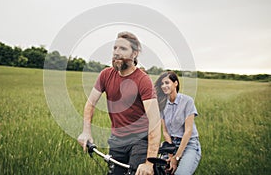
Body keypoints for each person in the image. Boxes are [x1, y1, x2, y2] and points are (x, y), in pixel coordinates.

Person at [78, 31, 161, 175]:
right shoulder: (106, 75)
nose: (116, 52)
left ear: (134, 54)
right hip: (117, 140)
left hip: (140, 140)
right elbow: (90, 103)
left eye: (122, 49)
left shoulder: (143, 80)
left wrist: (149, 163)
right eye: (115, 48)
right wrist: (86, 132)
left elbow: (154, 122)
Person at [155, 71, 201, 175]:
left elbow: (188, 131)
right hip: (172, 144)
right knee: (161, 171)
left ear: (175, 83)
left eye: (167, 83)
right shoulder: (162, 104)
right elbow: (165, 132)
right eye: (162, 84)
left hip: (189, 144)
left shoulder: (187, 101)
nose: (164, 86)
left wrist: (176, 158)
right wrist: (171, 155)